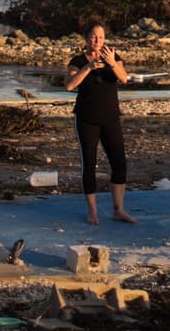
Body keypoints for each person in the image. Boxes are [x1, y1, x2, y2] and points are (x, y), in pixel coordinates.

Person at [65, 20, 136, 225]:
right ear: (87, 38)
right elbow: (70, 85)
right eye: (94, 37)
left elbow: (123, 79)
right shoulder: (78, 60)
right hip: (87, 119)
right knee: (89, 164)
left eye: (101, 37)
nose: (98, 40)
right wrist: (88, 67)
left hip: (111, 118)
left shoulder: (113, 56)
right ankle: (92, 212)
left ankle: (118, 210)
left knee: (119, 163)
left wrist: (112, 63)